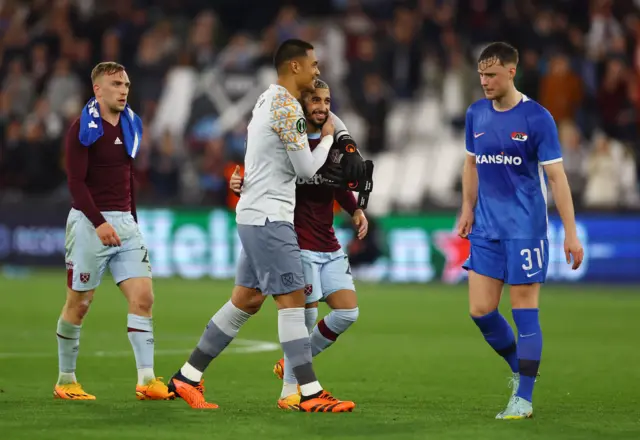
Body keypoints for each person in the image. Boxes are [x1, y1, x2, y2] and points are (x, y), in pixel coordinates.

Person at [167, 39, 358, 412]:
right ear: (296, 67)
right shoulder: (288, 107)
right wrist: (331, 140)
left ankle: (187, 376)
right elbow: (306, 168)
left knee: (247, 300)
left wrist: (245, 177)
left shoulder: (266, 98)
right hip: (271, 218)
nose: (318, 70)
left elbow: (261, 153)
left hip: (255, 214)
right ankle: (308, 392)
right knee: (293, 301)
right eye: (314, 64)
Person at [458, 42, 584, 420]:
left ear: (512, 72)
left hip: (525, 228)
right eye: (481, 74)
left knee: (524, 311)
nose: (484, 82)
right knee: (480, 311)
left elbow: (557, 179)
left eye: (492, 75)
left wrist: (571, 234)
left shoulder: (537, 118)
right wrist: (467, 208)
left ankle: (524, 398)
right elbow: (471, 165)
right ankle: (521, 368)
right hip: (486, 227)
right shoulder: (476, 114)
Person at [230, 79, 368, 411]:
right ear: (303, 105)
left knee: (347, 312)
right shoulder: (291, 140)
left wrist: (355, 209)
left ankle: (292, 360)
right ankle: (290, 390)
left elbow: (335, 183)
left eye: (326, 100)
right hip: (297, 240)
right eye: (315, 100)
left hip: (329, 241)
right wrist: (241, 183)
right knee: (303, 317)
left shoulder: (332, 141)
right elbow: (266, 176)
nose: (322, 106)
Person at [55, 62, 173, 401]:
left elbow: (127, 177)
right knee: (80, 304)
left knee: (144, 298)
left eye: (126, 84)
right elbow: (76, 183)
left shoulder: (131, 124)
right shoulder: (82, 129)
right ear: (98, 90)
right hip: (90, 223)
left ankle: (146, 379)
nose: (123, 90)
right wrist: (99, 222)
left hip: (124, 223)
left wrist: (130, 220)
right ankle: (65, 380)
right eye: (117, 84)